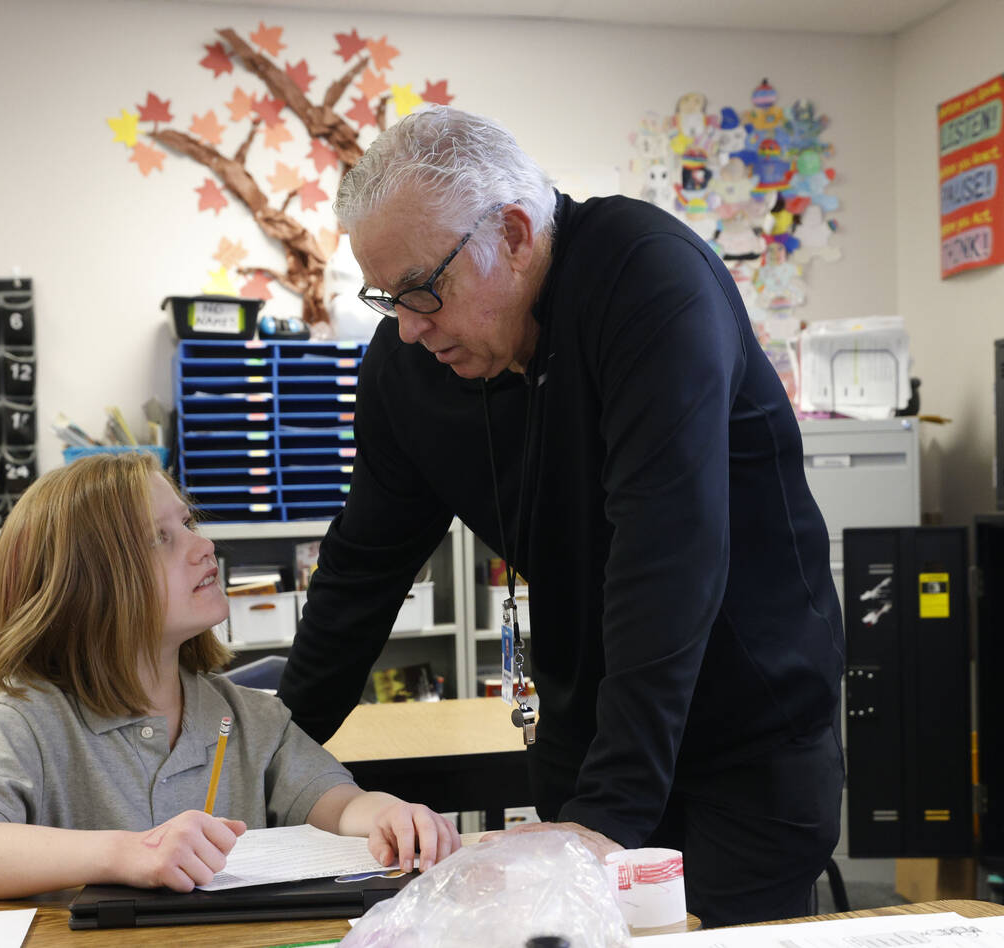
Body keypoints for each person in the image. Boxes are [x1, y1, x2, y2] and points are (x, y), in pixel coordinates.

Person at [278, 106, 844, 927]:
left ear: (512, 234)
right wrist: (274, 755)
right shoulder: (415, 361)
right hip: (594, 723)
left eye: (422, 290)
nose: (407, 328)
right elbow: (363, 566)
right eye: (385, 298)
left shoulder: (651, 279)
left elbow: (668, 557)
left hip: (745, 732)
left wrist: (604, 824)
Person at [0, 452, 459, 899]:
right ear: (88, 585)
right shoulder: (24, 718)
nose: (204, 547)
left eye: (188, 524)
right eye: (162, 538)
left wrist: (391, 814)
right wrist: (130, 853)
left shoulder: (249, 716)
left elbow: (337, 804)